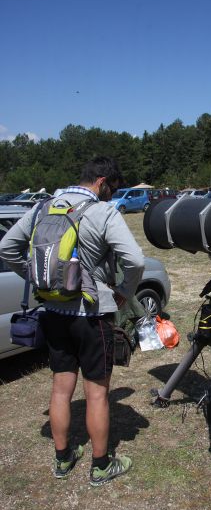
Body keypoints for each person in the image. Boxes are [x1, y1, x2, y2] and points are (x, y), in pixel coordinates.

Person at [0, 156, 144, 486]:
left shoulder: (42, 207)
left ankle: (63, 460)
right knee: (96, 394)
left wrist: (36, 277)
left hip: (54, 313)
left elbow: (7, 247)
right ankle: (101, 465)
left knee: (61, 389)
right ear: (102, 182)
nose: (112, 195)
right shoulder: (103, 211)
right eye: (113, 188)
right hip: (93, 317)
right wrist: (124, 290)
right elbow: (134, 260)